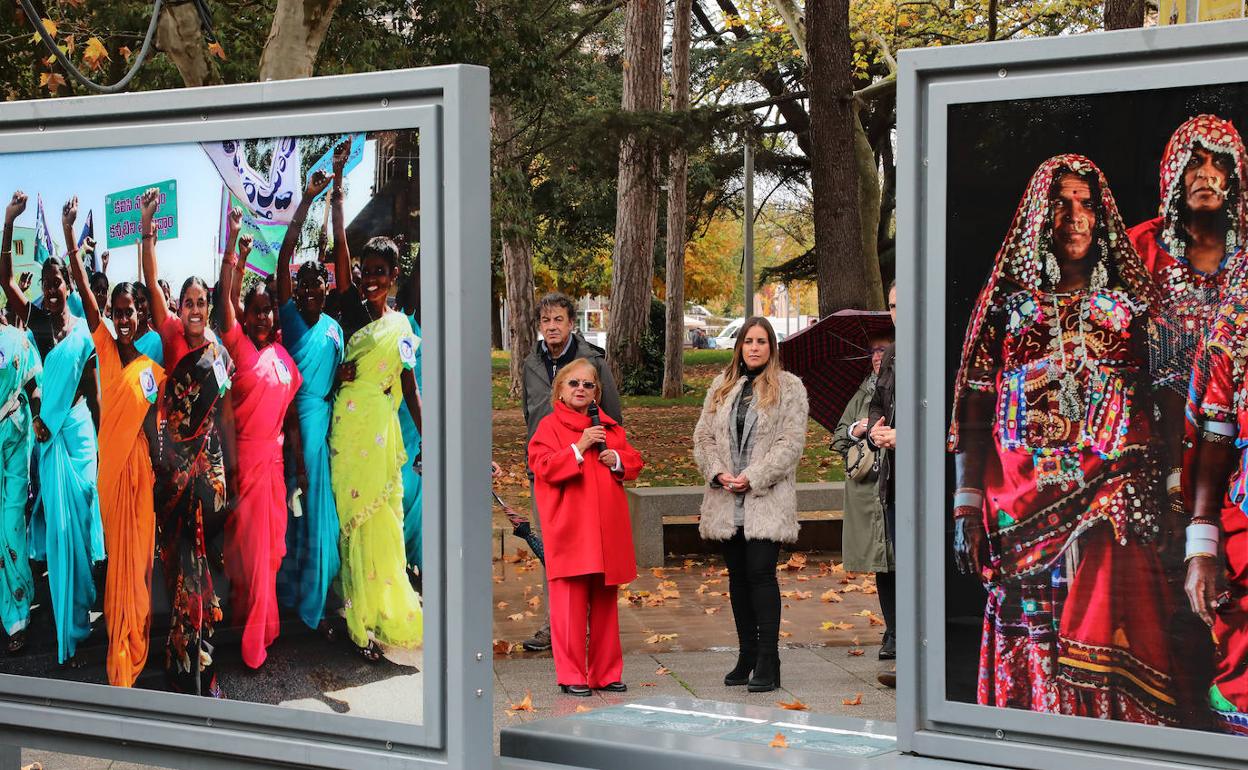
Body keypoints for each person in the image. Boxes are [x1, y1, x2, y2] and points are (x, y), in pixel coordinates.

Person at [948, 155, 1175, 724]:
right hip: (1019, 514)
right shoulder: (1005, 310)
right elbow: (974, 411)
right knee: (1035, 625)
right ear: (1038, 217)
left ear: (1100, 219)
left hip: (1114, 513)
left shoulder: (1131, 312)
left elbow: (1167, 410)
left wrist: (1168, 494)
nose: (1075, 216)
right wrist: (967, 505)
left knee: (1113, 631)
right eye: (1062, 202)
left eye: (1086, 204)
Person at [1130, 113, 1247, 730]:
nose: (1207, 176)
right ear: (1174, 174)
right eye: (1195, 164)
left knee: (1228, 575)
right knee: (1160, 582)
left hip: (1230, 447)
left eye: (1219, 164)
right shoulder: (1140, 247)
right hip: (1155, 438)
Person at [327, 142, 424, 660]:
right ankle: (354, 619)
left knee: (382, 521)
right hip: (349, 427)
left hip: (383, 433)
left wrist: (427, 436)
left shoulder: (401, 325)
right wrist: (339, 189)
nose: (370, 278)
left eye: (380, 271)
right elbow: (340, 248)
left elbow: (409, 386)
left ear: (393, 274)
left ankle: (382, 614)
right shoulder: (349, 308)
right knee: (352, 520)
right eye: (365, 269)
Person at [65, 196, 165, 688]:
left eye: (132, 312)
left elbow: (153, 431)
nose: (124, 319)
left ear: (143, 316)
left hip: (142, 476)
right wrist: (69, 242)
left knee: (138, 568)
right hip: (111, 478)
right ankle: (117, 648)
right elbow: (84, 293)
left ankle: (137, 643)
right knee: (118, 567)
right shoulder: (103, 347)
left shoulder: (152, 371)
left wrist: (165, 473)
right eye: (119, 312)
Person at [1, 191, 103, 668]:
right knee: (58, 535)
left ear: (67, 283)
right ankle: (65, 623)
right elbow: (4, 278)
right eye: (45, 282)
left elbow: (91, 390)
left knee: (79, 527)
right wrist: (9, 221)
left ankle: (83, 612)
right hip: (47, 440)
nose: (52, 288)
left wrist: (67, 236)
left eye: (57, 280)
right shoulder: (37, 322)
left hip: (79, 438)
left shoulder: (86, 328)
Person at [140, 187, 231, 697]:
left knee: (200, 581)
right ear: (179, 308)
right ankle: (179, 670)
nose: (195, 310)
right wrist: (149, 225)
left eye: (202, 303)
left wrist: (220, 476)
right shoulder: (172, 336)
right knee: (179, 575)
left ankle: (205, 669)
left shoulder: (218, 354)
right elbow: (151, 279)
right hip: (172, 482)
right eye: (188, 303)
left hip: (204, 482)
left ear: (208, 307)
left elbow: (219, 416)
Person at [693, 317, 809, 693]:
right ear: (739, 346)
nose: (754, 347)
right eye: (748, 341)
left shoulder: (789, 389)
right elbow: (704, 437)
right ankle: (745, 654)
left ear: (772, 347)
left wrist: (754, 476)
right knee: (738, 578)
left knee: (761, 573)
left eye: (761, 341)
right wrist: (717, 472)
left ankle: (768, 658)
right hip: (727, 498)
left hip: (765, 498)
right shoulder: (722, 387)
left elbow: (790, 445)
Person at [218, 209, 303, 670]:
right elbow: (223, 305)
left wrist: (299, 470)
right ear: (246, 316)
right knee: (248, 556)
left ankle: (264, 630)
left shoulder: (284, 359)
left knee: (270, 556)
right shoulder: (237, 346)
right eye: (255, 310)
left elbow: (291, 419)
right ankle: (250, 642)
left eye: (268, 308)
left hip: (273, 471)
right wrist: (233, 245)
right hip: (244, 467)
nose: (263, 315)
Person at [528, 359, 641, 696]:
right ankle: (572, 674)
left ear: (596, 393)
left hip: (607, 532)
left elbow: (634, 461)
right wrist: (579, 448)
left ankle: (606, 673)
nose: (580, 389)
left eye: (587, 385)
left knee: (605, 605)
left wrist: (617, 460)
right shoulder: (548, 428)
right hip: (570, 530)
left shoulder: (610, 428)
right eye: (573, 383)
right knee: (568, 607)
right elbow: (542, 466)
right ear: (560, 390)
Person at [519, 292, 623, 652]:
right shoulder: (530, 363)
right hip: (546, 471)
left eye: (558, 320)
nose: (551, 327)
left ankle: (590, 625)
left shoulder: (592, 361)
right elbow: (529, 415)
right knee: (552, 549)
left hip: (588, 471)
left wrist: (596, 452)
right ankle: (554, 625)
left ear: (571, 323)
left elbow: (613, 417)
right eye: (545, 321)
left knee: (591, 551)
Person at [273, 170, 343, 636]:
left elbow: (339, 381)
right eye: (304, 287)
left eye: (317, 286)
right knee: (294, 515)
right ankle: (292, 599)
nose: (310, 292)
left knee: (323, 516)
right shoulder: (292, 319)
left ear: (327, 289)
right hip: (294, 428)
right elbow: (283, 258)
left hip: (328, 430)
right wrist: (308, 199)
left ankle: (318, 598)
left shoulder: (336, 329)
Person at [833, 335, 895, 660]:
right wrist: (855, 430)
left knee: (900, 562)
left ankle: (901, 631)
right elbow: (839, 438)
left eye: (883, 350)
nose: (876, 355)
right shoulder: (862, 392)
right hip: (868, 493)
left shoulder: (900, 387)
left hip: (895, 488)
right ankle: (893, 631)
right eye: (872, 350)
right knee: (882, 566)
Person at [0, 203, 41, 654]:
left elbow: (33, 384)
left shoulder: (17, 338)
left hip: (14, 442)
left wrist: (38, 417)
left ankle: (17, 614)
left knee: (11, 525)